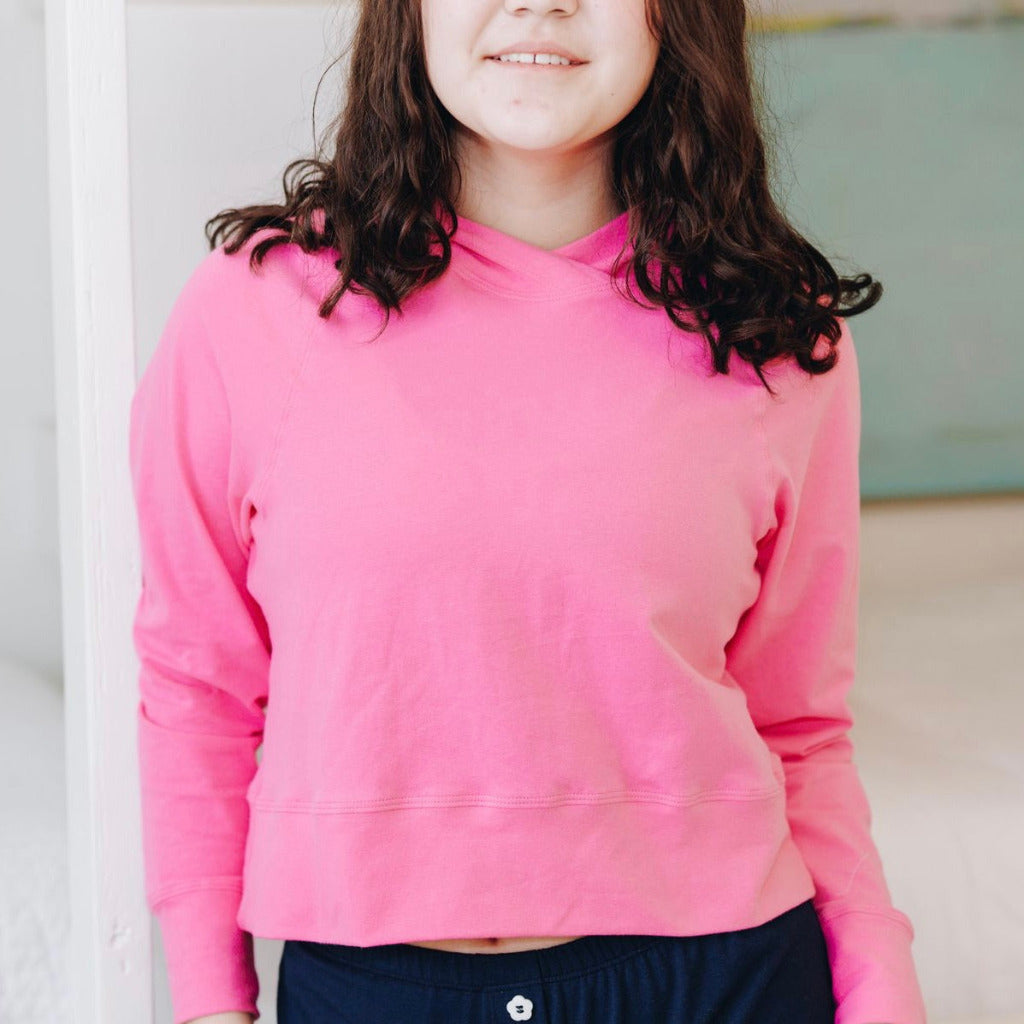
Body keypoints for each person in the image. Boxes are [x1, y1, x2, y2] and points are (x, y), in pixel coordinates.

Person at [127, 1, 929, 1022]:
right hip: (373, 986)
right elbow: (196, 688)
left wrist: (881, 992)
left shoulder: (776, 334)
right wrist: (209, 1002)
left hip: (722, 978)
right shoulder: (251, 310)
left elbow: (800, 726)